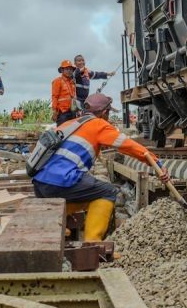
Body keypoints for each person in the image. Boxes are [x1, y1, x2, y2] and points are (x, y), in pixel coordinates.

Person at [32, 93, 170, 241]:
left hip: (40, 183)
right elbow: (128, 146)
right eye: (109, 113)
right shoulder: (99, 124)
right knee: (108, 191)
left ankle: (58, 220)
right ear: (105, 112)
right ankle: (93, 244)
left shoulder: (69, 124)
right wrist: (158, 164)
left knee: (89, 195)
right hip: (61, 181)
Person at [51, 59, 78, 126]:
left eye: (70, 69)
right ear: (62, 70)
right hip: (62, 112)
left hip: (72, 111)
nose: (69, 71)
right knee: (61, 132)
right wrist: (54, 112)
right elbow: (54, 97)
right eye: (67, 69)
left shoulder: (73, 82)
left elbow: (74, 97)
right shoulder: (57, 81)